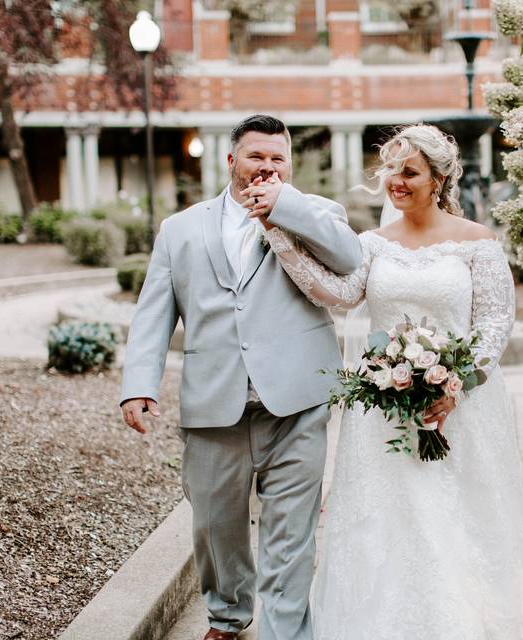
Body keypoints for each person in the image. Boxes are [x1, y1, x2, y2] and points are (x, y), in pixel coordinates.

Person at [261, 124, 523, 639]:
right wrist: (279, 235)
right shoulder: (373, 244)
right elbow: (336, 295)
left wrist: (457, 385)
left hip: (462, 407)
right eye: (390, 170)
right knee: (389, 514)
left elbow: (495, 323)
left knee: (462, 508)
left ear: (438, 178)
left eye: (409, 171)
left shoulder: (476, 242)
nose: (395, 181)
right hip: (381, 406)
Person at [119, 114, 362, 640]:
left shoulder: (316, 213)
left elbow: (349, 258)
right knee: (215, 527)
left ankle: (284, 631)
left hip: (296, 400)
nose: (267, 167)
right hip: (214, 402)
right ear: (231, 161)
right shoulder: (180, 229)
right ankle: (229, 616)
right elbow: (153, 313)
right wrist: (138, 384)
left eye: (279, 158)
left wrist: (286, 209)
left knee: (291, 532)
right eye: (257, 156)